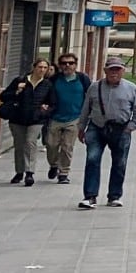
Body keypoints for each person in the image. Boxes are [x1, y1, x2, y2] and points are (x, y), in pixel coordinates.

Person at [76, 57, 136, 210]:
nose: (114, 73)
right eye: (111, 69)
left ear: (123, 71)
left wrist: (132, 126)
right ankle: (90, 196)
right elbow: (86, 108)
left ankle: (114, 196)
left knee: (120, 163)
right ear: (105, 70)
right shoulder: (95, 87)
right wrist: (81, 127)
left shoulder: (131, 88)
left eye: (117, 69)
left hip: (121, 129)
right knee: (92, 160)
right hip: (97, 127)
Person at [0, 57, 55, 186]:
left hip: (36, 119)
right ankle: (19, 172)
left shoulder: (47, 85)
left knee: (30, 142)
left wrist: (44, 111)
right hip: (17, 118)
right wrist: (17, 91)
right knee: (19, 145)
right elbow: (4, 96)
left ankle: (29, 173)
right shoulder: (20, 81)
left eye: (45, 68)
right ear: (34, 67)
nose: (42, 70)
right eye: (40, 67)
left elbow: (53, 103)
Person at [43, 53, 90, 185]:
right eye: (64, 63)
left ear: (75, 65)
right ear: (59, 65)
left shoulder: (82, 79)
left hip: (74, 118)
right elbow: (45, 95)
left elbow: (90, 96)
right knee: (51, 145)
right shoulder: (54, 80)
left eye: (70, 63)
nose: (67, 65)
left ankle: (63, 173)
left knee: (67, 146)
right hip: (55, 117)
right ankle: (54, 164)